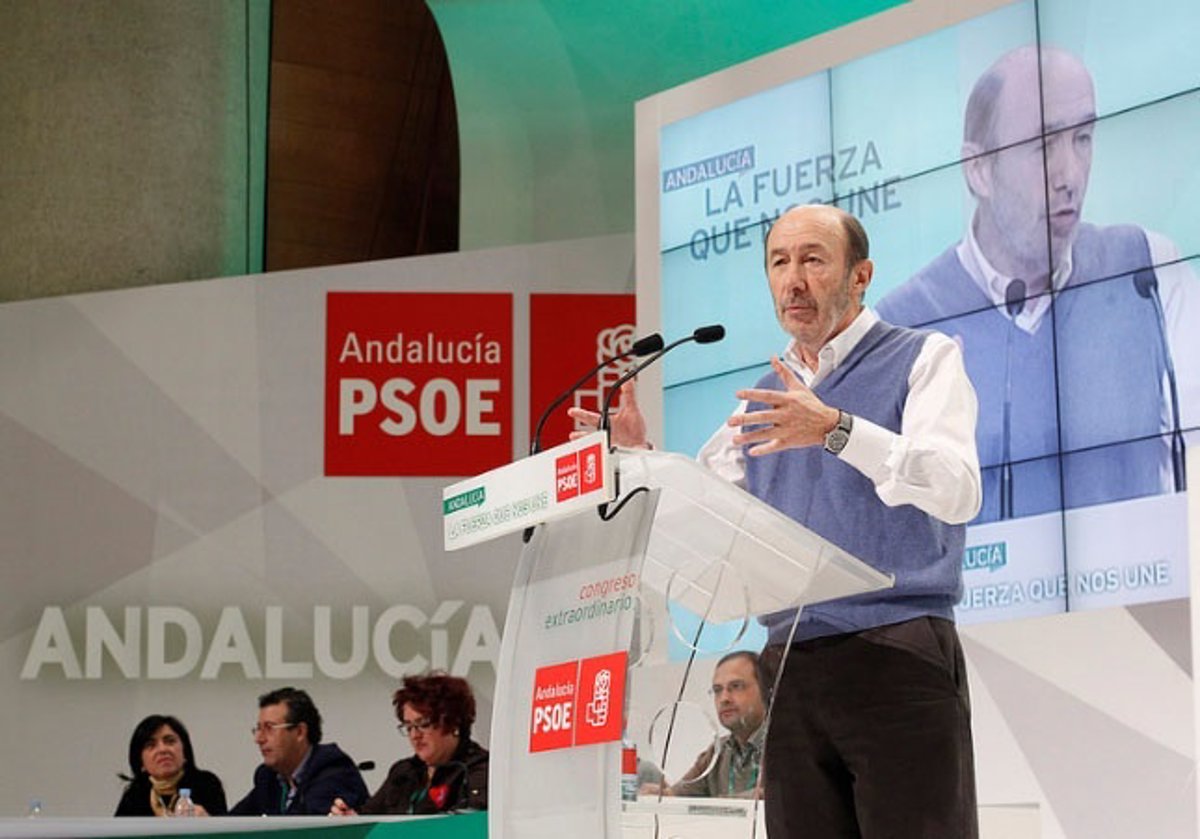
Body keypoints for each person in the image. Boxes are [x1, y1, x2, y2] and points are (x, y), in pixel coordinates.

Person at [571, 203, 982, 837]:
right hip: (790, 666)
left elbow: (957, 489)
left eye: (813, 260)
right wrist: (639, 457)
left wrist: (837, 430)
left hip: (897, 650)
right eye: (779, 262)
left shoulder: (923, 357)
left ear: (860, 275)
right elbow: (704, 501)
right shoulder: (768, 395)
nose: (793, 280)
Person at [876, 45, 1199, 522]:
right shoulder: (900, 327)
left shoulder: (1146, 270)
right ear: (979, 170)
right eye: (1044, 146)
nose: (1070, 175)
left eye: (1082, 138)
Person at [330, 672, 487, 815]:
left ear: (453, 723)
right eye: (409, 726)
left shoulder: (480, 769)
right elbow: (370, 818)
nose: (415, 735)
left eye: (423, 724)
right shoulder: (404, 772)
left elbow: (472, 823)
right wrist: (351, 819)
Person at [641, 651, 767, 799]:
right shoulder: (718, 751)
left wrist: (724, 804)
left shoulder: (787, 746)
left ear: (765, 691)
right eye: (717, 690)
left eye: (736, 686)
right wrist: (661, 795)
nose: (724, 699)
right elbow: (679, 794)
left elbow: (776, 796)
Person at [229, 686, 368, 816]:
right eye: (259, 729)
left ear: (300, 732)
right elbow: (232, 823)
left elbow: (305, 828)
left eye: (269, 728)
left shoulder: (333, 769)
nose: (259, 739)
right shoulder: (268, 777)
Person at [114, 714, 227, 817]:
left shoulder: (206, 784)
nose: (162, 749)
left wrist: (206, 818)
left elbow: (224, 828)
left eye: (170, 741)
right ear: (141, 762)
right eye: (151, 745)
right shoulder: (134, 795)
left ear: (185, 752)